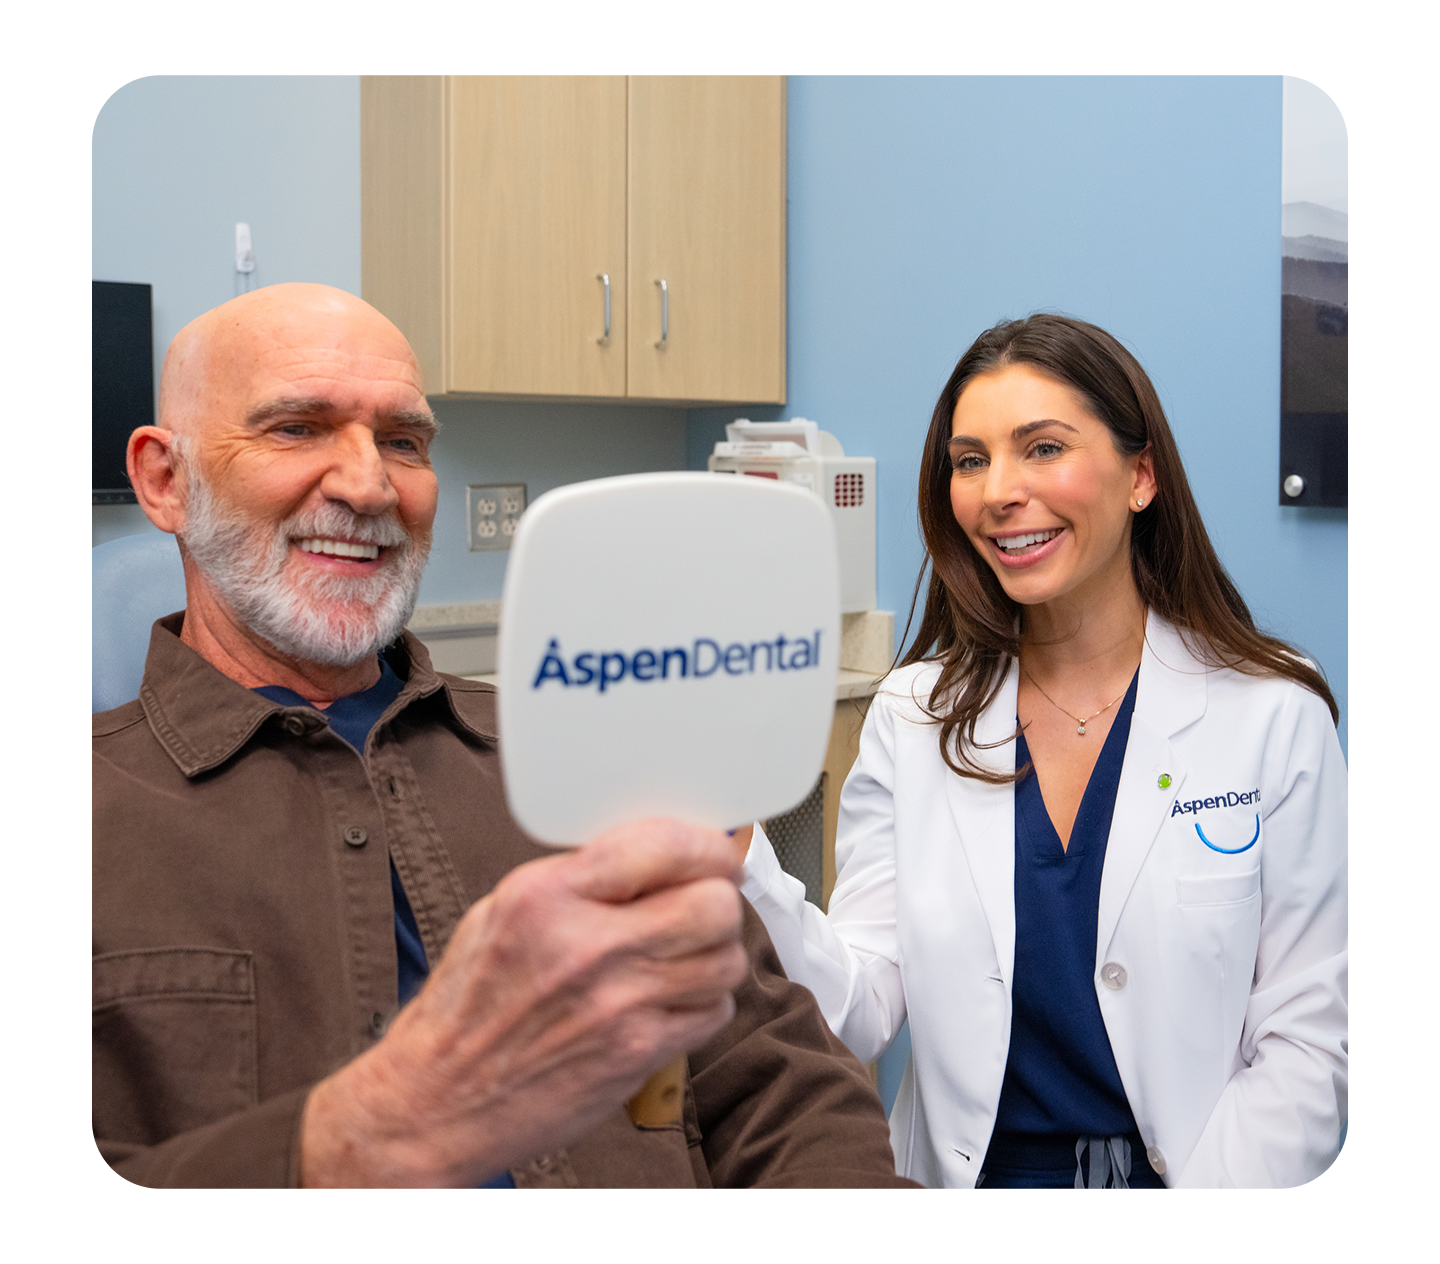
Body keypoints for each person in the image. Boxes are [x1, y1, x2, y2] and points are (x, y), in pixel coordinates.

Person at [92, 282, 911, 1188]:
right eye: (297, 428)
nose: (370, 485)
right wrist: (375, 1130)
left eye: (403, 442)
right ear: (165, 480)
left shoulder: (592, 750)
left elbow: (788, 1089)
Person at [734, 314, 1347, 1189]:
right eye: (971, 460)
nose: (998, 492)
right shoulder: (915, 716)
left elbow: (1309, 1043)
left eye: (1043, 448)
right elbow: (858, 1006)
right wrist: (741, 857)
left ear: (1142, 476)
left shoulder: (1271, 712)